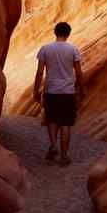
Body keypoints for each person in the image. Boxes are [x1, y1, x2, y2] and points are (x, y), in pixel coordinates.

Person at [33, 22, 84, 166]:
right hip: (68, 92)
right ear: (68, 34)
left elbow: (39, 72)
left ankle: (53, 145)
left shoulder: (45, 49)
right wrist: (82, 89)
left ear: (55, 32)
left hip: (51, 91)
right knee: (66, 124)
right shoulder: (73, 49)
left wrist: (36, 90)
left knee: (52, 120)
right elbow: (78, 73)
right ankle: (64, 156)